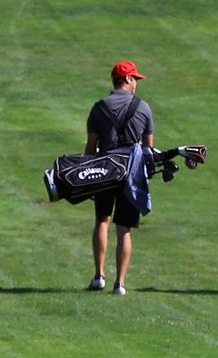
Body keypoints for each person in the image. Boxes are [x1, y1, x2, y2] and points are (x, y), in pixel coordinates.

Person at [84, 60, 155, 295]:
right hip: (130, 172)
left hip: (104, 169)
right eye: (134, 79)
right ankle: (120, 283)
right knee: (124, 228)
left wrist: (89, 178)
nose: (136, 83)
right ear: (127, 80)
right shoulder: (142, 107)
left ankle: (99, 275)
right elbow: (148, 150)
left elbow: (90, 148)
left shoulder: (98, 108)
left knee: (102, 220)